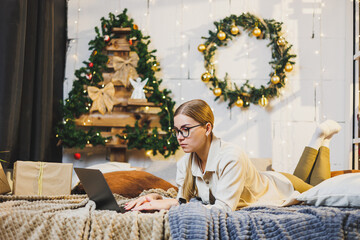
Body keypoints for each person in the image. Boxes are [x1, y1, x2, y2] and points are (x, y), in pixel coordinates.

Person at [125, 99, 341, 212]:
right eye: (176, 130)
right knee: (305, 181)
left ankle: (323, 140)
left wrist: (169, 204)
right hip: (273, 179)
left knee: (317, 190)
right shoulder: (185, 163)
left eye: (186, 129)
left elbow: (222, 209)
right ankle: (319, 139)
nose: (179, 137)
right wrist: (159, 200)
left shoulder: (231, 156)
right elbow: (187, 201)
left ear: (207, 128)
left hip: (278, 187)